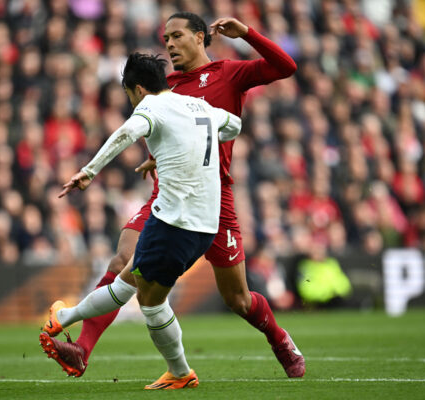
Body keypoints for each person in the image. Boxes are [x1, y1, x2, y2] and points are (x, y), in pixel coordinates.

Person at [40, 12, 305, 379]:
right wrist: (154, 158)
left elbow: (286, 66)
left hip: (215, 197)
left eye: (177, 36)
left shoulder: (229, 73)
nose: (169, 43)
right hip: (167, 194)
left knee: (238, 299)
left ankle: (280, 341)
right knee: (123, 262)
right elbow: (165, 130)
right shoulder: (168, 86)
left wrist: (246, 33)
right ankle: (82, 348)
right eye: (165, 38)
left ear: (200, 37)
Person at [41, 52, 242, 389]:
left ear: (136, 89)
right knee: (137, 288)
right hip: (206, 226)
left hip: (173, 222)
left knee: (141, 295)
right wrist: (187, 145)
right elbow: (235, 124)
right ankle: (65, 320)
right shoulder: (199, 107)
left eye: (128, 95)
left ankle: (66, 319)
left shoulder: (151, 107)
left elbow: (126, 133)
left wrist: (89, 171)